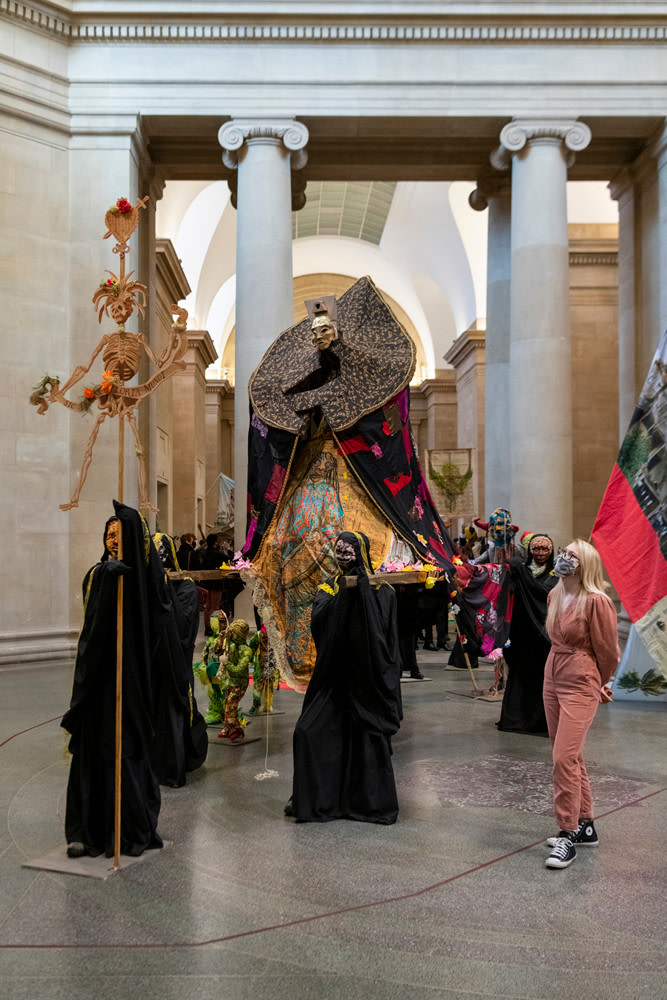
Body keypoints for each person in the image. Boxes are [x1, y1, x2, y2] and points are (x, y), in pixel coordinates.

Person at [61, 502, 165, 859]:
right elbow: (93, 626)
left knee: (124, 750)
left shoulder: (144, 580)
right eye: (108, 535)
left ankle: (126, 827)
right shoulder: (98, 574)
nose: (113, 540)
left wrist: (130, 578)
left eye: (119, 535)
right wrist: (108, 576)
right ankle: (85, 830)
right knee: (93, 751)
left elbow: (157, 614)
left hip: (130, 683)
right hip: (99, 681)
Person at [287, 531, 402, 824]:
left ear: (360, 554)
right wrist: (347, 596)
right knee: (306, 732)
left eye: (348, 552)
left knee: (366, 740)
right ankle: (319, 799)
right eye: (338, 551)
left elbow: (386, 639)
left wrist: (362, 593)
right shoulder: (329, 587)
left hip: (366, 682)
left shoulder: (382, 590)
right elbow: (320, 622)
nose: (342, 557)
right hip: (333, 679)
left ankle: (363, 803)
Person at [542, 539, 619, 869]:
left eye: (571, 555)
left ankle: (567, 833)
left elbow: (609, 651)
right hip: (552, 675)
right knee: (570, 756)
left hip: (580, 678)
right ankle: (585, 825)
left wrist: (601, 681)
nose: (563, 558)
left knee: (564, 758)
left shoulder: (597, 601)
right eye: (564, 552)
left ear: (584, 564)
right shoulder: (555, 594)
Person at [150, 532, 208, 787]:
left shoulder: (185, 586)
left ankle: (175, 763)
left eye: (163, 553)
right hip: (154, 664)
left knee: (176, 707)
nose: (160, 559)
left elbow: (183, 628)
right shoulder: (149, 585)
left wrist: (163, 589)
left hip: (177, 663)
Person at [497, 533, 558, 734]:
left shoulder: (555, 574)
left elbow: (543, 594)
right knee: (520, 676)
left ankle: (540, 722)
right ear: (530, 551)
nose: (540, 553)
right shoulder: (522, 570)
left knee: (541, 679)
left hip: (542, 637)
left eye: (545, 549)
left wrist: (522, 575)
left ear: (551, 551)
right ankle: (516, 719)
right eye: (536, 549)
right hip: (521, 635)